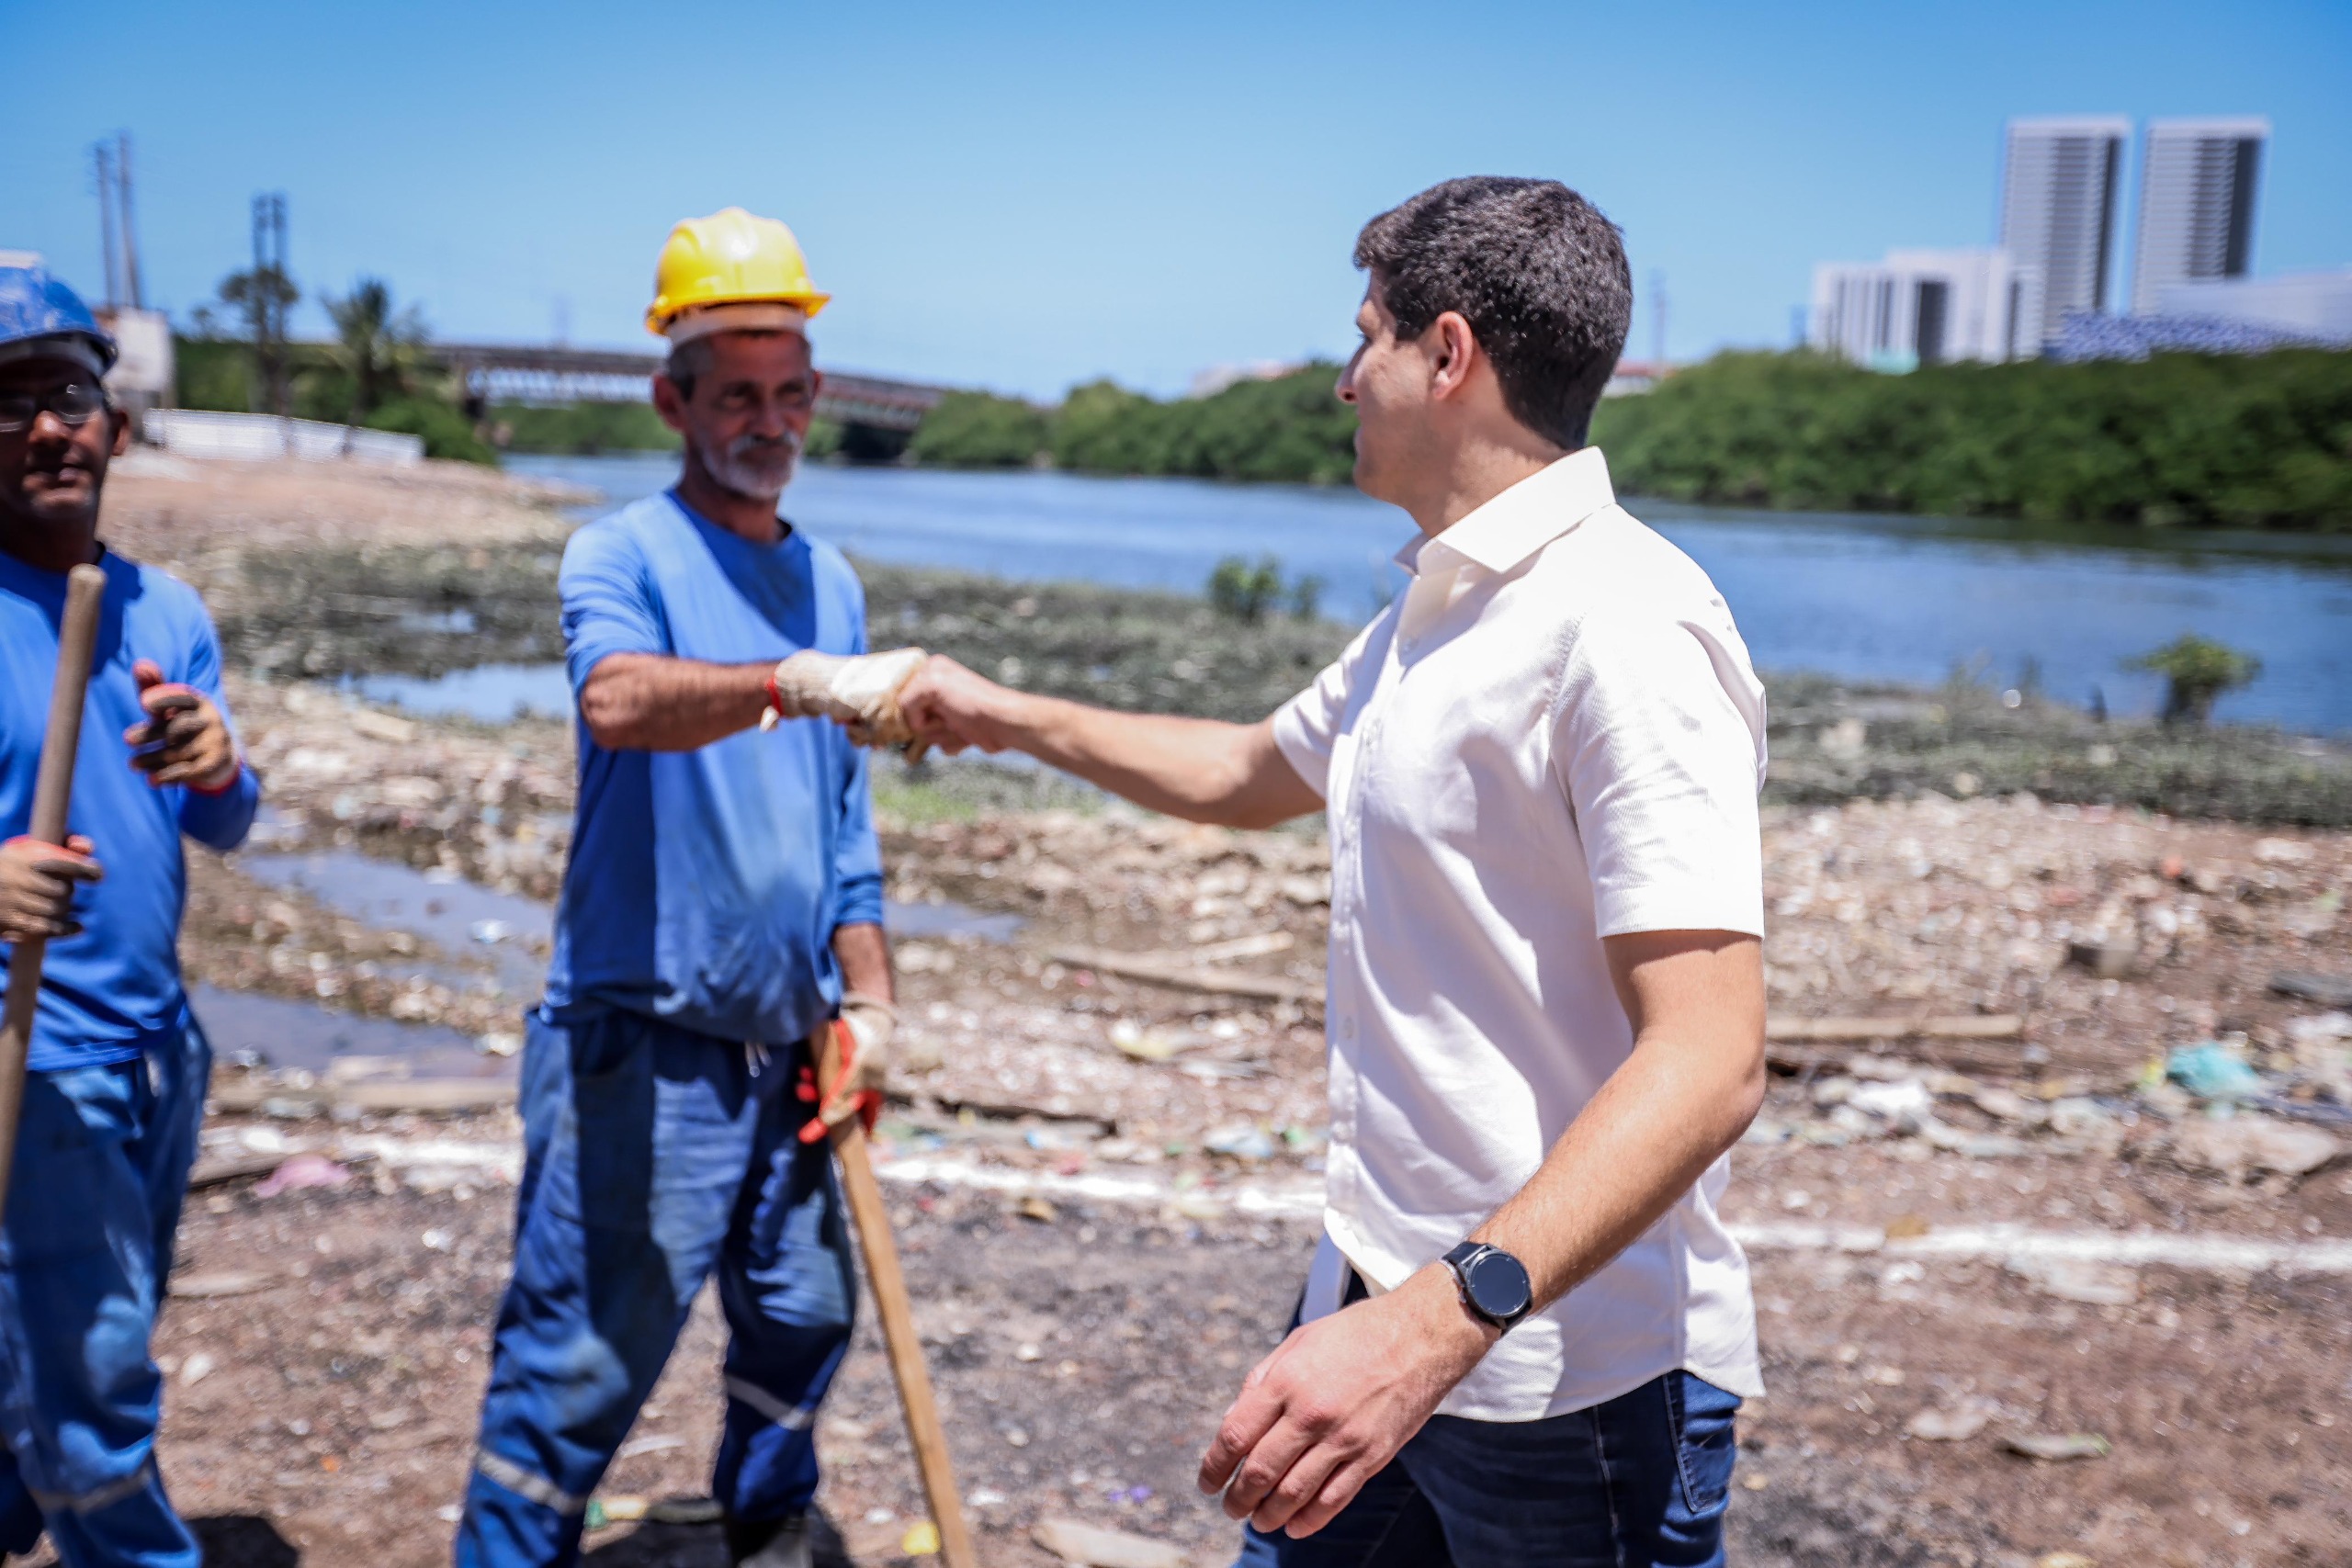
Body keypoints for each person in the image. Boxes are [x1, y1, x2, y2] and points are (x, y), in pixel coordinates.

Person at [899, 177, 1769, 1567]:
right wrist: (1002, 713)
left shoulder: (1628, 623)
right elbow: (1250, 772)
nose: (1342, 382)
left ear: (1447, 353)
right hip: (1371, 1311)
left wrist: (1432, 1328)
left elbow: (1713, 1059)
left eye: (1362, 339)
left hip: (1562, 1386)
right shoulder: (1434, 612)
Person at [455, 209, 929, 1568]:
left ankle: (767, 1531)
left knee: (805, 1314)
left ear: (818, 398)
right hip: (644, 1042)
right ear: (673, 400)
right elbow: (617, 701)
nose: (767, 421)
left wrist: (873, 1000)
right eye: (735, 396)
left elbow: (844, 821)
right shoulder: (623, 554)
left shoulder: (828, 579)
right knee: (578, 1363)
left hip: (792, 1046)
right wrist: (788, 681)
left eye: (789, 394)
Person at [0, 262, 260, 1567]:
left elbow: (225, 822)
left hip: (160, 1050)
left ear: (117, 420)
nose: (47, 427)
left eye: (68, 393)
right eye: (8, 403)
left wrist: (216, 762)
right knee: (95, 1382)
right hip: (29, 1067)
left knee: (82, 1326)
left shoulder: (167, 611)